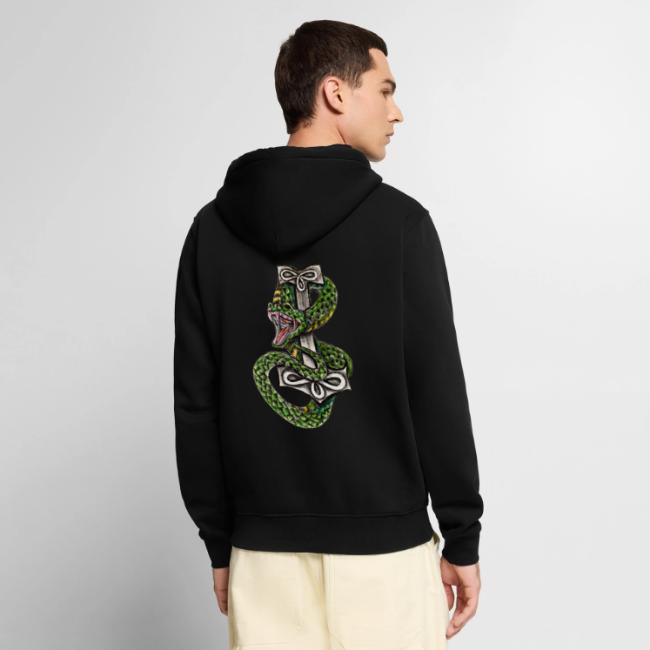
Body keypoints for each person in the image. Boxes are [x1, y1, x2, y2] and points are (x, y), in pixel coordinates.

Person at [174, 19, 484, 649]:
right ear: (336, 93)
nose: (397, 112)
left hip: (262, 557)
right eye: (385, 89)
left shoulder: (211, 231)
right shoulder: (401, 225)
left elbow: (196, 406)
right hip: (385, 559)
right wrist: (461, 536)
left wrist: (221, 543)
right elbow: (436, 390)